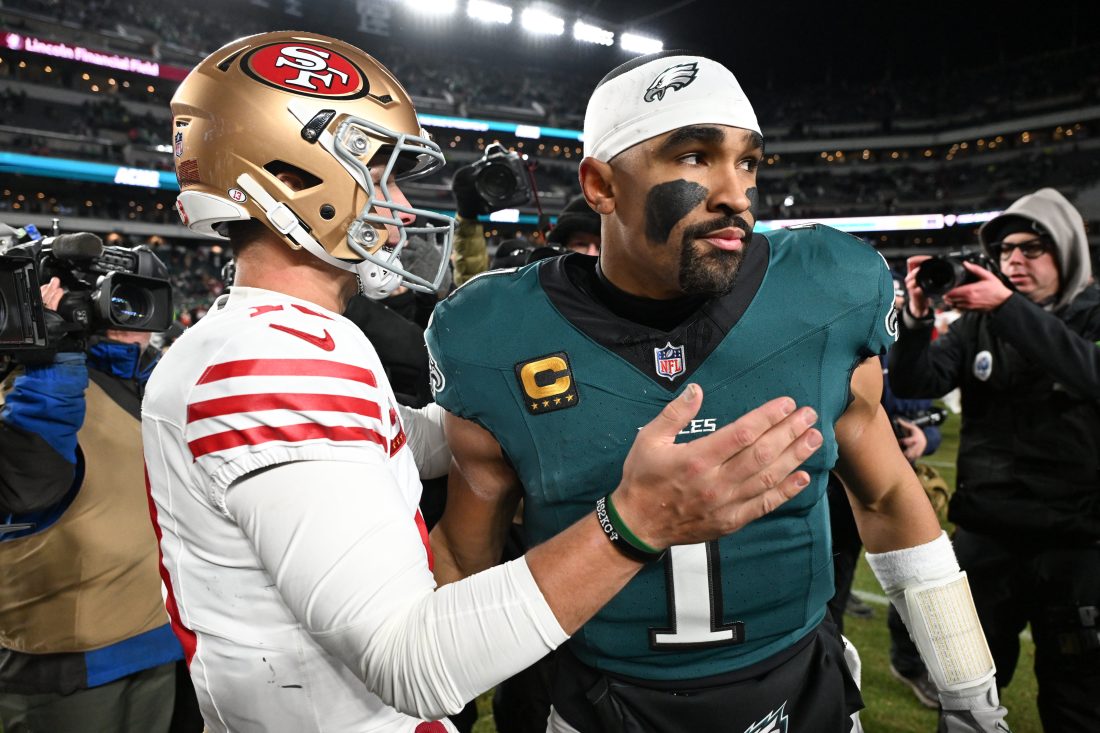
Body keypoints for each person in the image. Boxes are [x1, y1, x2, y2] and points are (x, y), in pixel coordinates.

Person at [143, 32, 826, 733]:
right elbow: (408, 661)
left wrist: (573, 392)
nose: (400, 207)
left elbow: (402, 441)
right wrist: (637, 521)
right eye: (380, 174)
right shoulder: (270, 366)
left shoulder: (266, 344)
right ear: (292, 176)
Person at [426, 51, 1009, 732]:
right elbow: (464, 556)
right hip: (598, 704)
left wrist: (969, 690)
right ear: (601, 185)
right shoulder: (495, 332)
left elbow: (886, 498)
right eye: (694, 156)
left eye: (748, 162)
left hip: (802, 693)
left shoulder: (823, 291)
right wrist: (429, 707)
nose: (737, 192)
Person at [890, 186, 1100, 731]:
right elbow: (918, 382)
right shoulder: (980, 323)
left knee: (1079, 700)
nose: (1014, 260)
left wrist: (1006, 307)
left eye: (1032, 248)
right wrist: (916, 321)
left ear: (1067, 251)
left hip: (1076, 542)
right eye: (1006, 250)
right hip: (988, 534)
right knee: (967, 697)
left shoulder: (1091, 315)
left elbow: (1089, 373)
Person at [0, 272, 197, 732]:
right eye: (111, 300)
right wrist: (48, 352)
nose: (128, 317)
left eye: (135, 300)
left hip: (158, 636)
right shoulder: (33, 384)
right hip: (64, 656)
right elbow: (29, 484)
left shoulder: (147, 382)